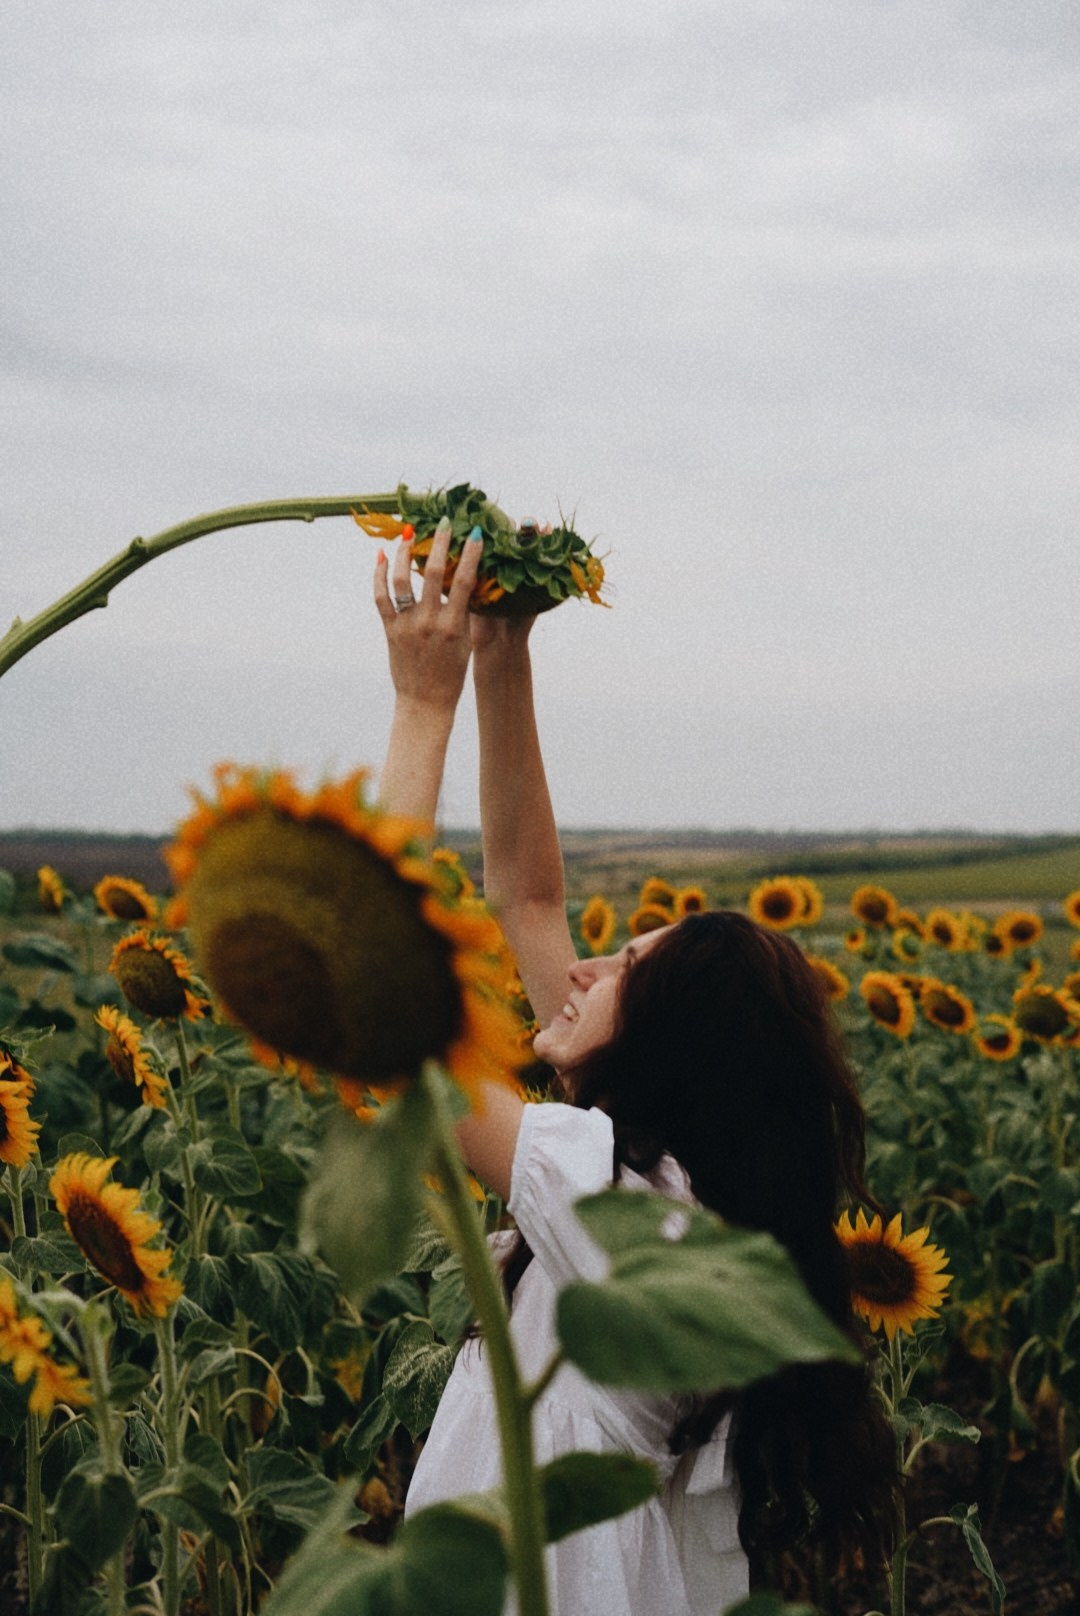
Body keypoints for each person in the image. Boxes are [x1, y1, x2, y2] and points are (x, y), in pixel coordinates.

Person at [372, 519, 898, 1614]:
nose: (583, 966)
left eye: (626, 968)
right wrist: (503, 652)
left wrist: (423, 704)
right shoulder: (678, 1203)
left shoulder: (618, 1204)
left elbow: (388, 1020)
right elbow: (529, 897)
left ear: (673, 1045)